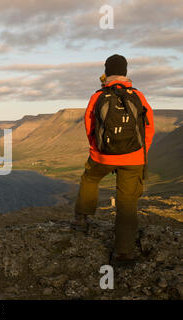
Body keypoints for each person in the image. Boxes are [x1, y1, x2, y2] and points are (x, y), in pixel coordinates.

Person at [72, 54, 155, 263]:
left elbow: (89, 126)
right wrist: (137, 152)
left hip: (102, 156)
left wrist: (96, 150)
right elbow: (149, 127)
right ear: (125, 72)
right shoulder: (138, 95)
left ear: (107, 72)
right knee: (127, 203)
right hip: (134, 158)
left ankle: (82, 219)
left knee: (90, 179)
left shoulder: (98, 96)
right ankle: (123, 253)